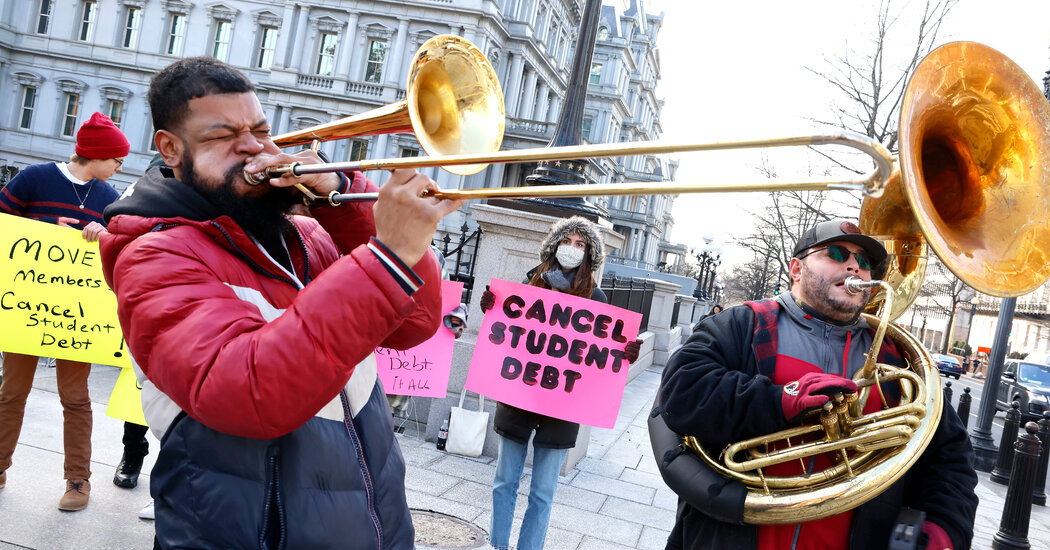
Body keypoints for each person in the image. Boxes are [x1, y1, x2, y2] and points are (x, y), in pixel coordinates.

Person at [98, 57, 462, 548]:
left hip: (371, 518)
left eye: (260, 129)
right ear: (171, 149)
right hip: (254, 531)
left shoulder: (307, 233)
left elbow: (413, 325)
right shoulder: (154, 255)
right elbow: (250, 390)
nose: (253, 148)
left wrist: (347, 198)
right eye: (223, 136)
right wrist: (389, 255)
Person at [656, 219, 978, 550]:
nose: (855, 265)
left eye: (865, 263)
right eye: (836, 253)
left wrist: (944, 529)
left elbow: (950, 457)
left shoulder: (896, 356)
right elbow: (681, 392)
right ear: (796, 268)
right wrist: (781, 400)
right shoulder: (744, 323)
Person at [479, 216, 642, 550]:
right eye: (567, 241)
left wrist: (625, 351)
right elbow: (510, 332)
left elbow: (600, 352)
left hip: (561, 406)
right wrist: (492, 310)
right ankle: (497, 545)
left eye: (580, 245)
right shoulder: (531, 283)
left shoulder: (596, 298)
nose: (572, 249)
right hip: (519, 396)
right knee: (504, 482)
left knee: (542, 492)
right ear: (554, 245)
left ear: (589, 255)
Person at [0, 111, 129, 511]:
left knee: (75, 398)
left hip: (76, 318)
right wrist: (43, 231)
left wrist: (105, 236)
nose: (120, 167)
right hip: (27, 309)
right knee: (11, 392)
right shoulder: (33, 178)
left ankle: (78, 480)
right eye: (116, 160)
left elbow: (121, 251)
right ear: (95, 155)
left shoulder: (110, 199)